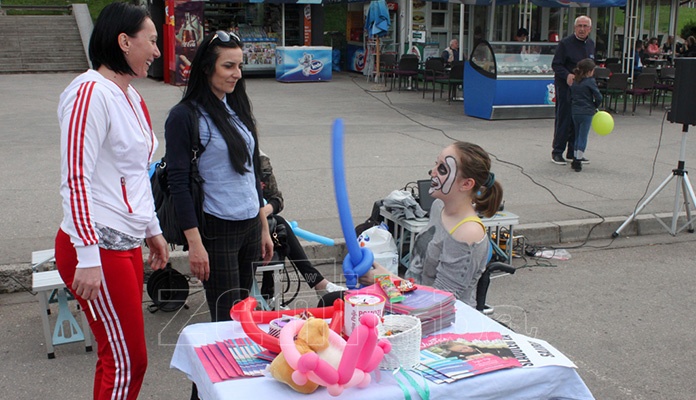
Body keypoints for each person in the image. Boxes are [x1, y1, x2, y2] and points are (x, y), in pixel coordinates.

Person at [54, 3, 169, 399]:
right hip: (96, 246)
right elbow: (76, 179)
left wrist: (152, 230)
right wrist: (86, 257)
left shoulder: (130, 96)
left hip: (124, 242)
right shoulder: (89, 93)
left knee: (122, 357)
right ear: (124, 41)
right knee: (126, 361)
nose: (157, 51)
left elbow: (138, 173)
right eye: (151, 41)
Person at [164, 29, 273, 324]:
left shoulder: (236, 108)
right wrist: (195, 244)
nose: (237, 74)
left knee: (246, 312)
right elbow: (179, 183)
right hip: (217, 228)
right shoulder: (185, 116)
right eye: (228, 66)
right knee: (226, 318)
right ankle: (228, 367)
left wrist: (263, 226)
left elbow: (252, 173)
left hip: (250, 223)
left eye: (240, 66)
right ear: (206, 68)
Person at [258, 152, 346, 298]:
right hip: (233, 227)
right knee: (279, 224)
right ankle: (318, 282)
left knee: (279, 230)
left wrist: (265, 211)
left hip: (262, 222)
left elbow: (277, 199)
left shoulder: (261, 161)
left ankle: (270, 296)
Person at [551, 15, 595, 165]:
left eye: (585, 26)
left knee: (578, 120)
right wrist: (567, 75)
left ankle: (574, 152)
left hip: (582, 90)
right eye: (579, 26)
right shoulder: (565, 44)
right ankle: (557, 151)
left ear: (590, 29)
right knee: (564, 119)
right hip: (565, 87)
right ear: (575, 28)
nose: (582, 29)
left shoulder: (590, 44)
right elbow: (556, 65)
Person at [569, 59, 602, 172]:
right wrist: (595, 105)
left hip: (575, 111)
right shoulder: (590, 81)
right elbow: (598, 96)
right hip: (587, 111)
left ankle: (574, 157)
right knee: (583, 136)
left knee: (577, 134)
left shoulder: (575, 81)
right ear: (589, 71)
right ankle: (578, 159)